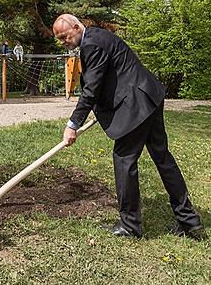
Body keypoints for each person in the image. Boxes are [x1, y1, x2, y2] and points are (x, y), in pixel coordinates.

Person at [53, 13, 206, 240]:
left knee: (124, 159)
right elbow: (111, 78)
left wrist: (73, 124)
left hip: (138, 105)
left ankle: (130, 226)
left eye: (65, 36)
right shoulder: (98, 37)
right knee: (163, 158)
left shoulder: (92, 43)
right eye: (60, 39)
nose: (64, 42)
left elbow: (91, 89)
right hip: (149, 97)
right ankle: (189, 222)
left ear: (76, 27)